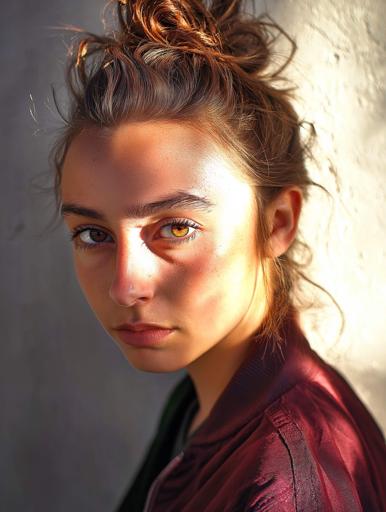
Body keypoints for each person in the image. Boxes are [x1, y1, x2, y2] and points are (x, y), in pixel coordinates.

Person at [53, 0, 386, 510]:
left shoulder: (288, 491)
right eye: (94, 235)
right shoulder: (201, 398)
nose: (125, 286)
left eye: (177, 227)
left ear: (276, 224)